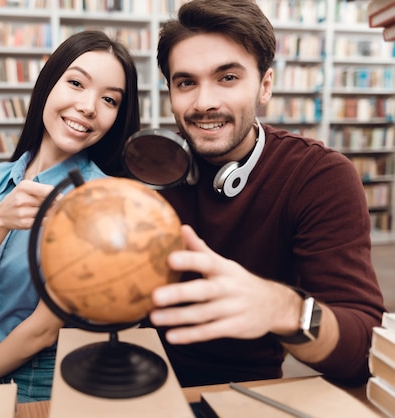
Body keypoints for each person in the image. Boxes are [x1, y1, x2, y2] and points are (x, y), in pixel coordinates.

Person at [142, 0, 385, 388]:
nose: (204, 103)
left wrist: (284, 309)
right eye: (186, 82)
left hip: (242, 388)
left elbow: (364, 349)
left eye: (227, 78)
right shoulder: (147, 164)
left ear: (264, 86)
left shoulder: (318, 176)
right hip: (132, 376)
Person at [0, 30, 140, 402]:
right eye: (76, 83)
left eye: (109, 99)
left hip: (53, 378)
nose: (89, 106)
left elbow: (43, 331)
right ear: (48, 82)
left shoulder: (103, 199)